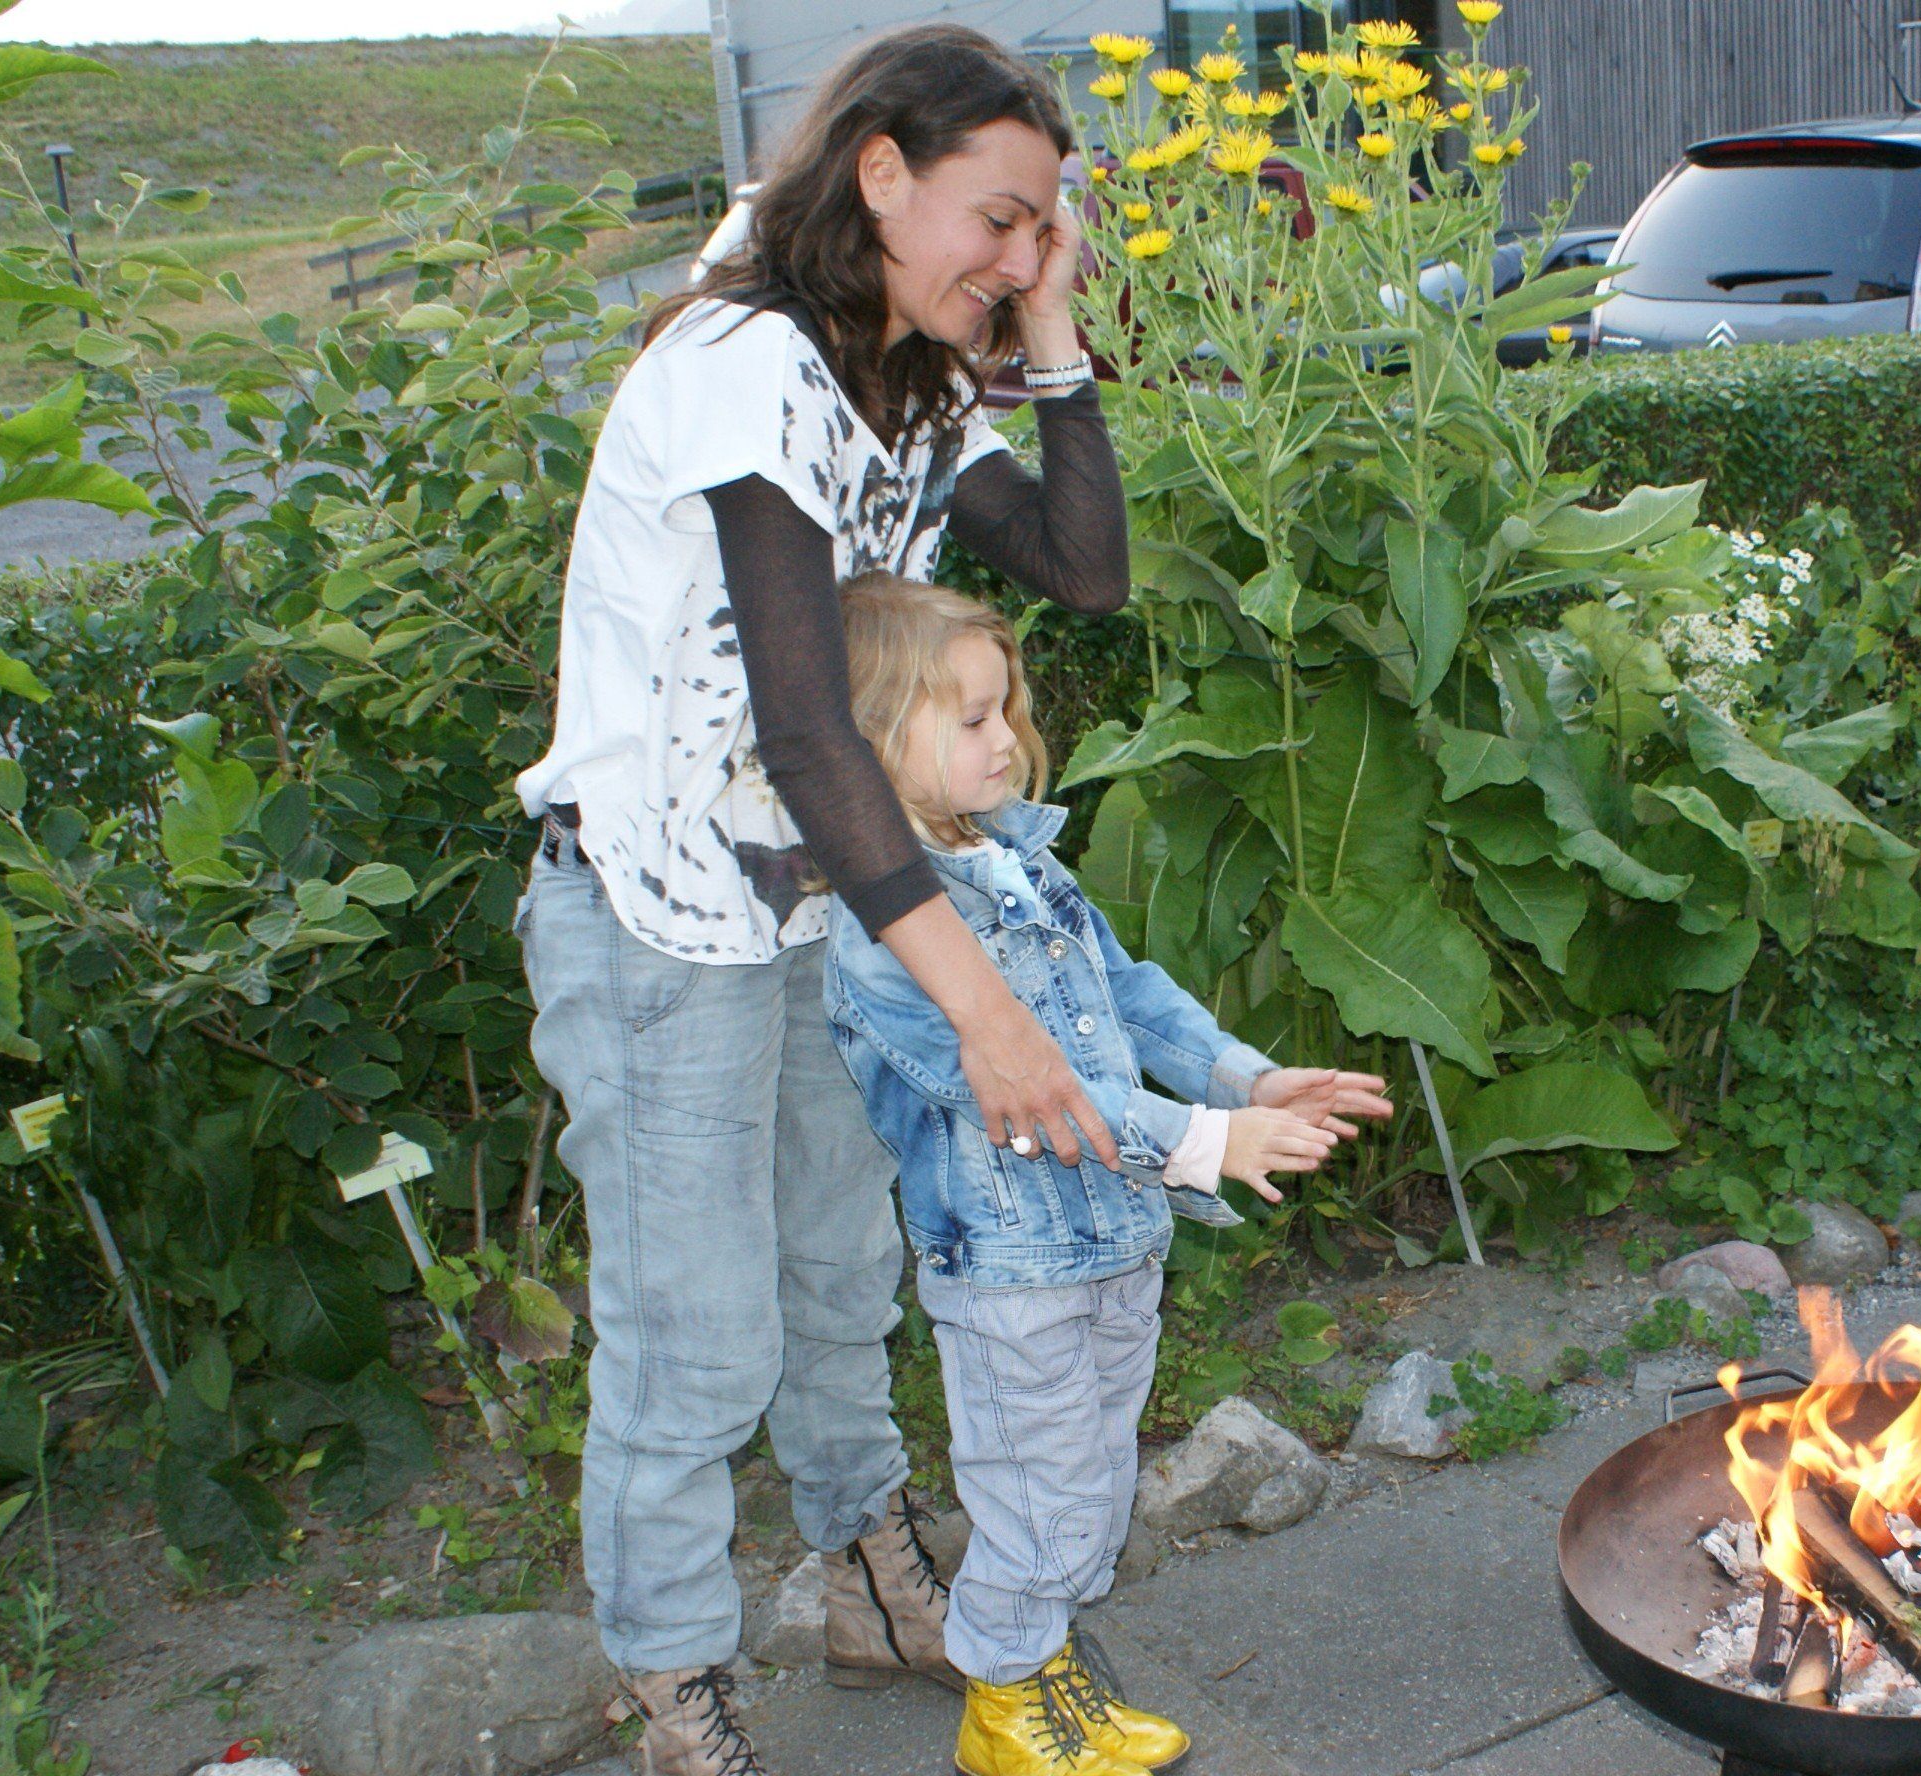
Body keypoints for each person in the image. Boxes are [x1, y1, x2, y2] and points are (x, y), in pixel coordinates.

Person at [513, 24, 1141, 1774]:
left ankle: (865, 1576)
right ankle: (671, 1679)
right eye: (997, 220)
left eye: (1041, 229)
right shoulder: (748, 370)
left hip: (812, 906)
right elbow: (806, 728)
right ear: (880, 173)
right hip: (656, 925)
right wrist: (985, 1013)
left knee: (843, 1271)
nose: (1015, 254)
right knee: (695, 1338)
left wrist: (1049, 331)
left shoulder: (904, 385)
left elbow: (1083, 570)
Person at [826, 572, 1395, 1776]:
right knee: (1039, 1495)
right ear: (874, 741)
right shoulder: (883, 938)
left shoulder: (1017, 860)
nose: (1006, 737)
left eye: (1006, 707)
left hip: (1112, 1243)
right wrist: (1207, 1142)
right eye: (970, 718)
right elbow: (1028, 1100)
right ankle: (1002, 1708)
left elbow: (1129, 996)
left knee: (1087, 1484)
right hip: (1015, 1274)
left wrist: (1247, 1080)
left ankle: (1042, 1672)